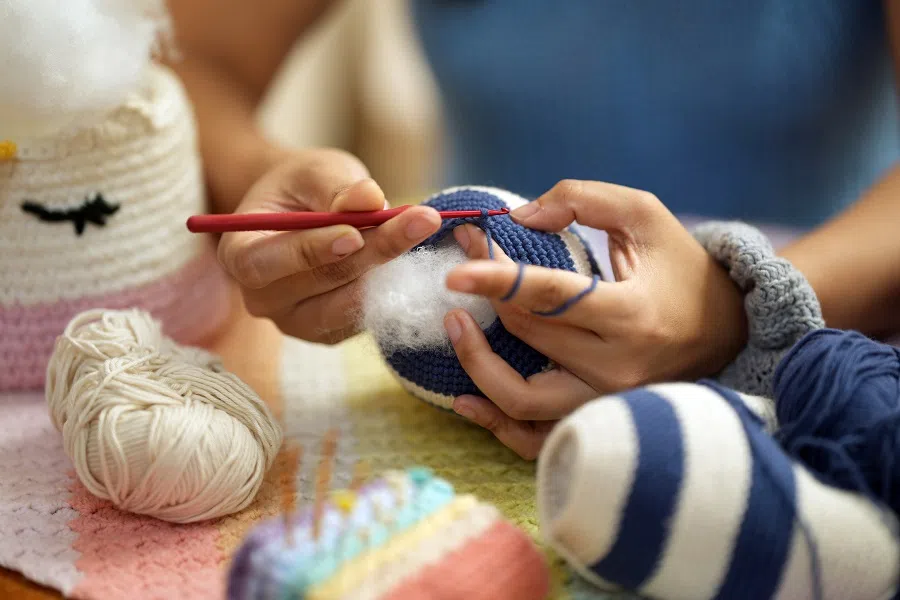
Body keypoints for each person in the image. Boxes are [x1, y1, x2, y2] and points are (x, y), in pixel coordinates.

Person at [164, 1, 900, 457]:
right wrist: (260, 171)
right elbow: (195, 62)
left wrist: (744, 308)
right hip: (470, 334)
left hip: (836, 344)